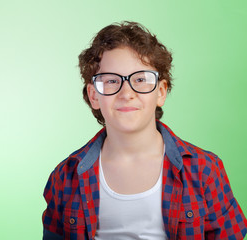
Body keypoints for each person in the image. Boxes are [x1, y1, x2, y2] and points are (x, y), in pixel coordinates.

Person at [42, 21, 247, 240]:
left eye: (140, 79)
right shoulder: (65, 178)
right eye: (111, 81)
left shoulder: (205, 170)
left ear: (160, 92)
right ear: (94, 96)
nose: (126, 93)